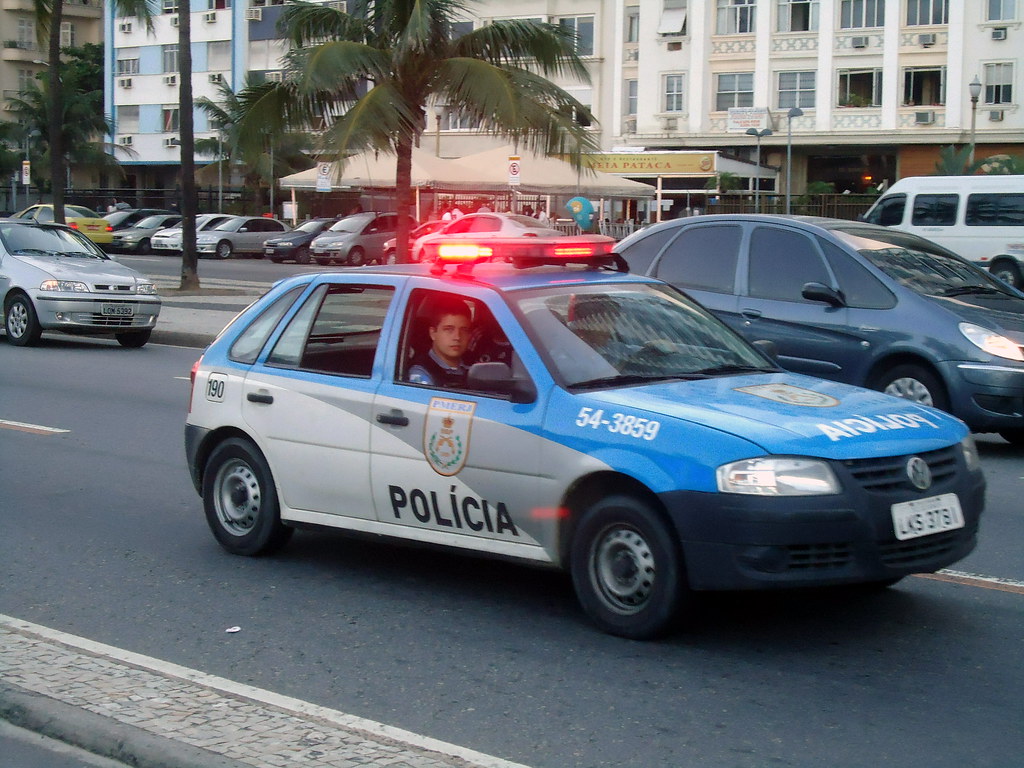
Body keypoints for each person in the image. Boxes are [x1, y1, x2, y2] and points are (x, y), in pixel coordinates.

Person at [407, 298, 473, 387]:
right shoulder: (421, 371)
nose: (457, 337)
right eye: (449, 329)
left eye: (464, 330)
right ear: (433, 333)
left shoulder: (474, 366)